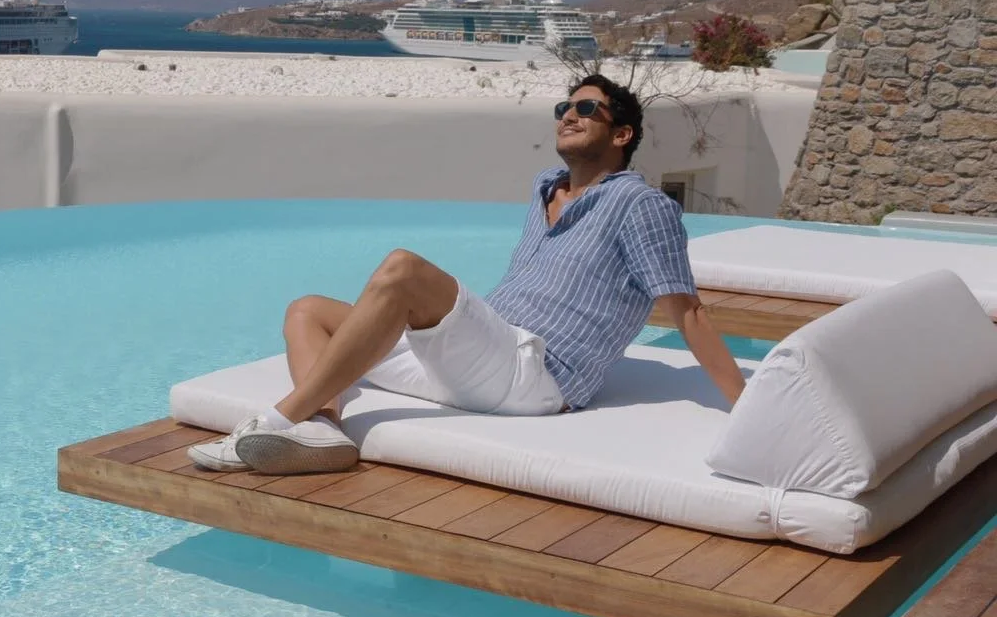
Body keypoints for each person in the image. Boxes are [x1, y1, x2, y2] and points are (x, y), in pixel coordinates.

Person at [189, 73, 746, 475]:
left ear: (622, 135)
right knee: (307, 309)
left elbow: (686, 312)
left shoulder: (639, 204)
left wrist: (744, 406)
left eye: (588, 110)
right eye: (564, 108)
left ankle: (276, 421)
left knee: (403, 271)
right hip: (475, 363)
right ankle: (323, 430)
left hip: (535, 373)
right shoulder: (546, 188)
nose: (569, 116)